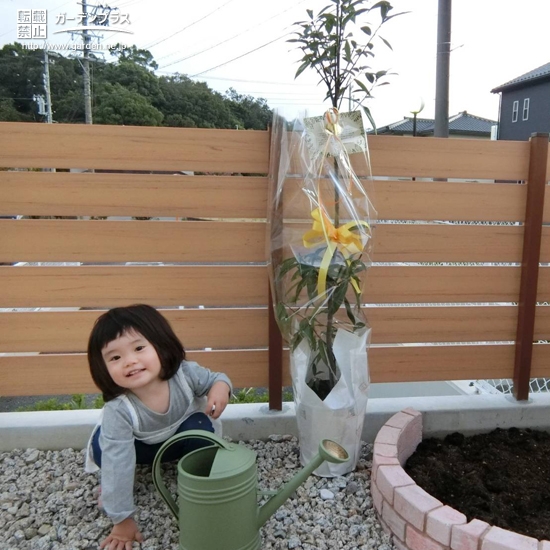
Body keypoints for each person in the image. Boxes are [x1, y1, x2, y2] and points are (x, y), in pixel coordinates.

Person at [84, 304, 232, 550]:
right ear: (103, 367)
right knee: (106, 451)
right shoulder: (118, 410)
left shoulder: (184, 375)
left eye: (139, 348)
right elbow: (117, 459)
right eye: (115, 357)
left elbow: (216, 378)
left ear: (161, 346)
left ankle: (200, 476)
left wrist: (220, 388)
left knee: (201, 429)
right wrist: (121, 519)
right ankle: (112, 491)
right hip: (139, 449)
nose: (130, 362)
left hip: (178, 438)